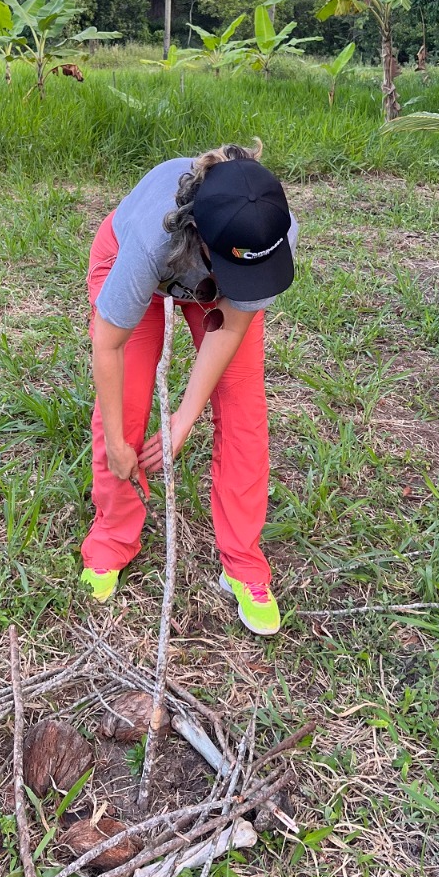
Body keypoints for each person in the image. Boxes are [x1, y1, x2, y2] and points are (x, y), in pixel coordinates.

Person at [80, 142, 298, 637]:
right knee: (125, 407)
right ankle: (112, 538)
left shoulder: (270, 233)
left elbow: (230, 327)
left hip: (212, 277)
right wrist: (117, 443)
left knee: (243, 409)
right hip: (134, 258)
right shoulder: (150, 240)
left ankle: (242, 562)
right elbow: (108, 345)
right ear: (199, 238)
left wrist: (183, 418)